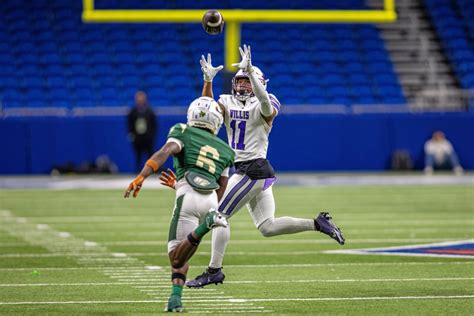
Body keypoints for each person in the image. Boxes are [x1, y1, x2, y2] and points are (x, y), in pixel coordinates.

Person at [161, 45, 345, 288]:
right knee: (267, 226)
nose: (242, 86)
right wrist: (208, 80)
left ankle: (214, 270)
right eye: (240, 81)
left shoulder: (267, 101)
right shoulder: (226, 100)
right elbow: (207, 110)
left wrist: (250, 71)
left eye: (248, 81)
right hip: (246, 171)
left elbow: (267, 108)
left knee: (219, 215)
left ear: (259, 83)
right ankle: (318, 223)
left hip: (253, 169)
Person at [124, 96, 235, 312]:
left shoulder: (182, 130)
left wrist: (142, 175)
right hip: (210, 199)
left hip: (188, 197)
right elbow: (222, 185)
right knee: (183, 253)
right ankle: (175, 299)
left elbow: (164, 152)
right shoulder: (226, 150)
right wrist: (209, 208)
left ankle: (205, 226)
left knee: (175, 256)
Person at [127, 91, 157, 172]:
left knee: (150, 155)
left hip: (147, 138)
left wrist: (152, 136)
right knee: (138, 155)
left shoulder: (149, 111)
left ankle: (150, 170)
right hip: (137, 137)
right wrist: (131, 134)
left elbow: (154, 125)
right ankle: (138, 171)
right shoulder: (133, 111)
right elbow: (129, 124)